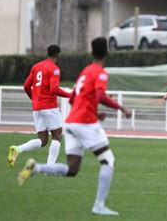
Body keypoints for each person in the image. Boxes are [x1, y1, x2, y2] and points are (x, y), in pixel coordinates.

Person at [18, 37, 132, 216]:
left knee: (72, 169)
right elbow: (100, 96)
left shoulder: (85, 71)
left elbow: (73, 99)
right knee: (108, 161)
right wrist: (121, 108)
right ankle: (99, 206)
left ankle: (37, 168)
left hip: (71, 122)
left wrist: (94, 113)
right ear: (107, 52)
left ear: (92, 52)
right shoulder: (100, 73)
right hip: (84, 123)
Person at [8, 45, 71, 168]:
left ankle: (18, 149)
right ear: (58, 55)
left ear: (48, 53)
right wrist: (70, 95)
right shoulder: (54, 69)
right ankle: (49, 168)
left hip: (37, 108)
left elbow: (26, 86)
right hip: (49, 106)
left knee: (43, 140)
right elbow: (54, 89)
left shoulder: (36, 66)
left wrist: (35, 99)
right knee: (57, 135)